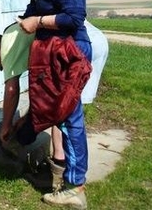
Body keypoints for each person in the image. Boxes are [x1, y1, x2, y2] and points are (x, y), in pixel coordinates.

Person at [0, 0, 91, 210]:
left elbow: (74, 17)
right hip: (62, 54)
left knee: (68, 119)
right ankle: (67, 181)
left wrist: (37, 22)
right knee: (64, 116)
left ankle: (74, 188)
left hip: (69, 54)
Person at [50, 21, 109, 186]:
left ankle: (59, 167)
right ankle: (71, 167)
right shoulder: (66, 3)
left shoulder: (40, 17)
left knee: (61, 107)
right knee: (73, 108)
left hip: (80, 45)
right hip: (97, 40)